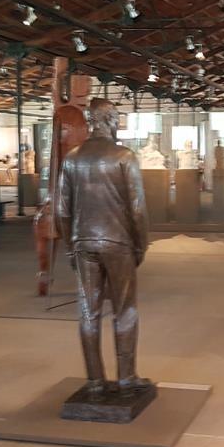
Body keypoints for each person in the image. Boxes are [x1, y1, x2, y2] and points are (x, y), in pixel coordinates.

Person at [56, 99, 150, 394]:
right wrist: (141, 245)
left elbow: (62, 210)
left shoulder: (72, 158)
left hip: (83, 242)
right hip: (118, 242)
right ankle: (126, 377)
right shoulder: (124, 157)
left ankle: (95, 380)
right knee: (125, 310)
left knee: (88, 311)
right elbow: (137, 209)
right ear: (109, 120)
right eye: (117, 117)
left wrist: (70, 246)